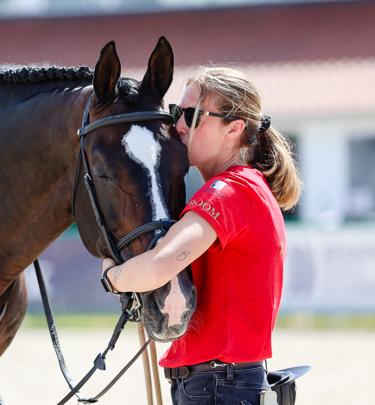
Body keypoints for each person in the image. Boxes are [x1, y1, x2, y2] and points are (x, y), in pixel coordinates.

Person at [100, 66, 302, 405]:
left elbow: (158, 267)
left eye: (193, 116)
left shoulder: (229, 191)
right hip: (223, 381)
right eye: (177, 113)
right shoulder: (243, 187)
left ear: (234, 128)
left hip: (218, 384)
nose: (178, 125)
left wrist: (111, 275)